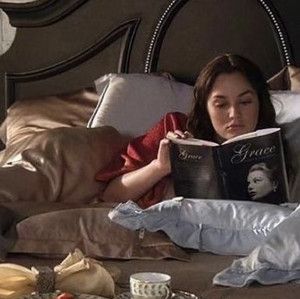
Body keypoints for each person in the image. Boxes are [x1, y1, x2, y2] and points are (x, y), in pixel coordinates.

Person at [96, 53, 277, 208]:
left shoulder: (279, 146)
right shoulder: (175, 127)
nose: (234, 114)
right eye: (221, 104)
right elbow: (111, 196)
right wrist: (160, 167)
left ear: (260, 103)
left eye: (245, 102)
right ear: (205, 107)